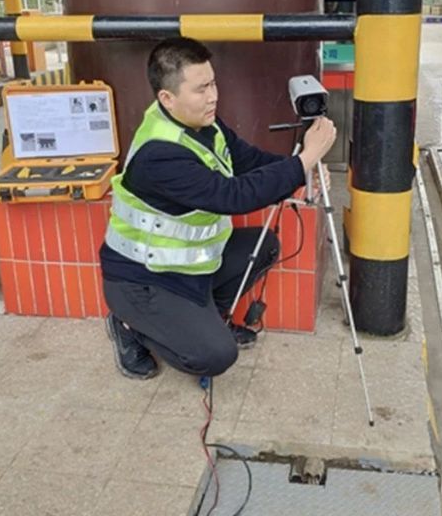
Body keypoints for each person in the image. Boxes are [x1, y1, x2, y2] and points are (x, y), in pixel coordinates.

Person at [100, 37, 336, 380]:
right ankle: (129, 325)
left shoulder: (203, 124)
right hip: (144, 279)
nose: (213, 96)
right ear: (168, 97)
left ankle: (208, 320)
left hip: (185, 266)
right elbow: (232, 196)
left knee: (264, 245)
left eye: (213, 83)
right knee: (216, 357)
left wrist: (304, 171)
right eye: (201, 89)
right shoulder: (160, 154)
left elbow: (248, 161)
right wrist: (305, 159)